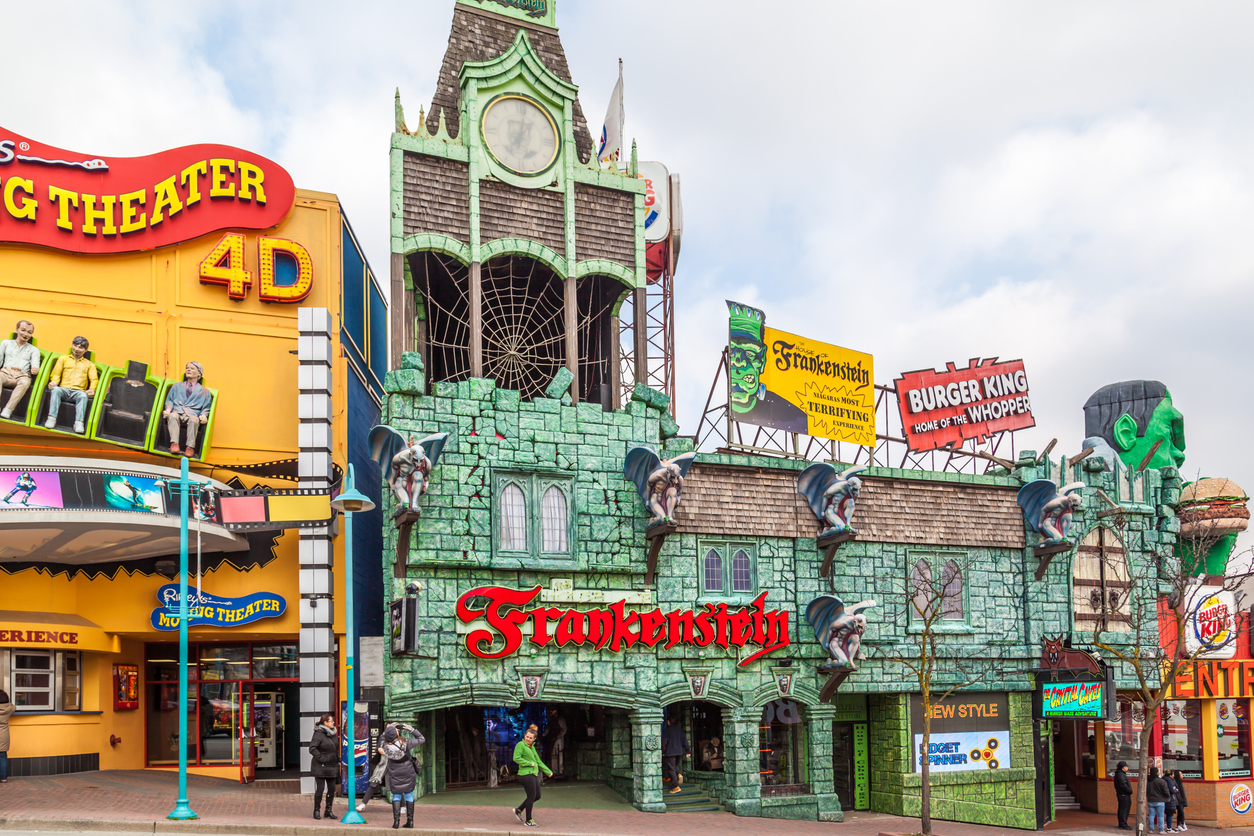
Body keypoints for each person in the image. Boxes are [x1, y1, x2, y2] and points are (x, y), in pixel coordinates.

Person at [44, 336, 97, 434]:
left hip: (78, 391)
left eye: (81, 347)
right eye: (75, 346)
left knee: (83, 396)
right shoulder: (63, 359)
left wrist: (92, 389)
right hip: (64, 388)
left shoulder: (89, 365)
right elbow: (56, 373)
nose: (77, 349)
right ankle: (51, 418)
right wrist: (55, 381)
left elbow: (94, 379)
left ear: (86, 350)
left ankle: (79, 422)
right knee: (55, 390)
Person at [163, 361, 211, 456]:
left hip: (192, 414)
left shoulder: (205, 392)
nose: (188, 370)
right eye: (187, 368)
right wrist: (168, 410)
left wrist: (203, 415)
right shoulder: (176, 386)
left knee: (194, 420)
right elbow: (170, 400)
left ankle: (190, 447)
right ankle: (174, 444)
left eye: (192, 368)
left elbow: (206, 407)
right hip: (178, 411)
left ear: (199, 374)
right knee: (172, 416)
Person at [382, 722, 425, 829]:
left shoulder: (384, 745)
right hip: (407, 771)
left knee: (396, 795)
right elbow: (421, 738)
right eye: (396, 731)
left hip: (394, 772)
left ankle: (396, 822)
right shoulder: (405, 743)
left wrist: (390, 728)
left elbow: (385, 736)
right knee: (409, 795)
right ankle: (410, 821)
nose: (398, 731)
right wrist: (411, 730)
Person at [512, 723, 552, 828]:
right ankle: (528, 820)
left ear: (534, 739)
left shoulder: (532, 747)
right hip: (525, 774)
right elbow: (516, 758)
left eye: (530, 738)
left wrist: (548, 771)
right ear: (524, 736)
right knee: (531, 796)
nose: (528, 739)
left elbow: (538, 761)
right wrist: (529, 763)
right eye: (527, 737)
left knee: (537, 796)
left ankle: (519, 809)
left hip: (533, 774)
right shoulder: (520, 745)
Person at [0, 320, 40, 420]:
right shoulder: (6, 343)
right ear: (17, 329)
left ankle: (8, 410)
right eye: (23, 330)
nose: (26, 334)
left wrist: (35, 368)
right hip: (6, 372)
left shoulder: (33, 350)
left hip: (22, 375)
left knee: (25, 382)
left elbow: (35, 364)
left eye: (29, 332)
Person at [308, 713, 339, 820]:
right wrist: (322, 758)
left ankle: (328, 810)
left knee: (331, 789)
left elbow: (335, 748)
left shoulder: (333, 733)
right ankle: (316, 810)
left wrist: (337, 758)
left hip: (332, 765)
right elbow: (312, 748)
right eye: (331, 721)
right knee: (320, 789)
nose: (333, 723)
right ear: (325, 723)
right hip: (320, 766)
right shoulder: (318, 734)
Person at [661, 715, 691, 794]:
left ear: (668, 722)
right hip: (679, 752)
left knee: (671, 769)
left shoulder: (667, 730)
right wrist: (688, 751)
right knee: (675, 766)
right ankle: (679, 774)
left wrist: (663, 752)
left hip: (670, 752)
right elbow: (685, 741)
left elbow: (664, 742)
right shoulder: (680, 730)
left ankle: (676, 786)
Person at [1146, 766, 1170, 834]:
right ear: (1157, 772)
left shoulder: (1147, 781)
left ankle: (1151, 829)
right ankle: (1161, 829)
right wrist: (1167, 797)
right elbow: (1166, 791)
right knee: (1161, 816)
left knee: (1151, 815)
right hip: (1160, 800)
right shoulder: (1161, 781)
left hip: (1150, 800)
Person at [1114, 760, 1133, 830]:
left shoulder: (1119, 774)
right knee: (1124, 809)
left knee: (1122, 809)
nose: (1127, 768)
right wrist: (1129, 790)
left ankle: (1122, 823)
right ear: (1123, 767)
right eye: (1126, 767)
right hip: (1124, 794)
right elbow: (1123, 785)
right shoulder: (1121, 775)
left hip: (1122, 794)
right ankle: (1123, 824)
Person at [0, 688, 13, 783]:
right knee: (3, 756)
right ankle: (3, 778)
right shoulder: (9, 708)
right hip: (3, 735)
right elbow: (14, 707)